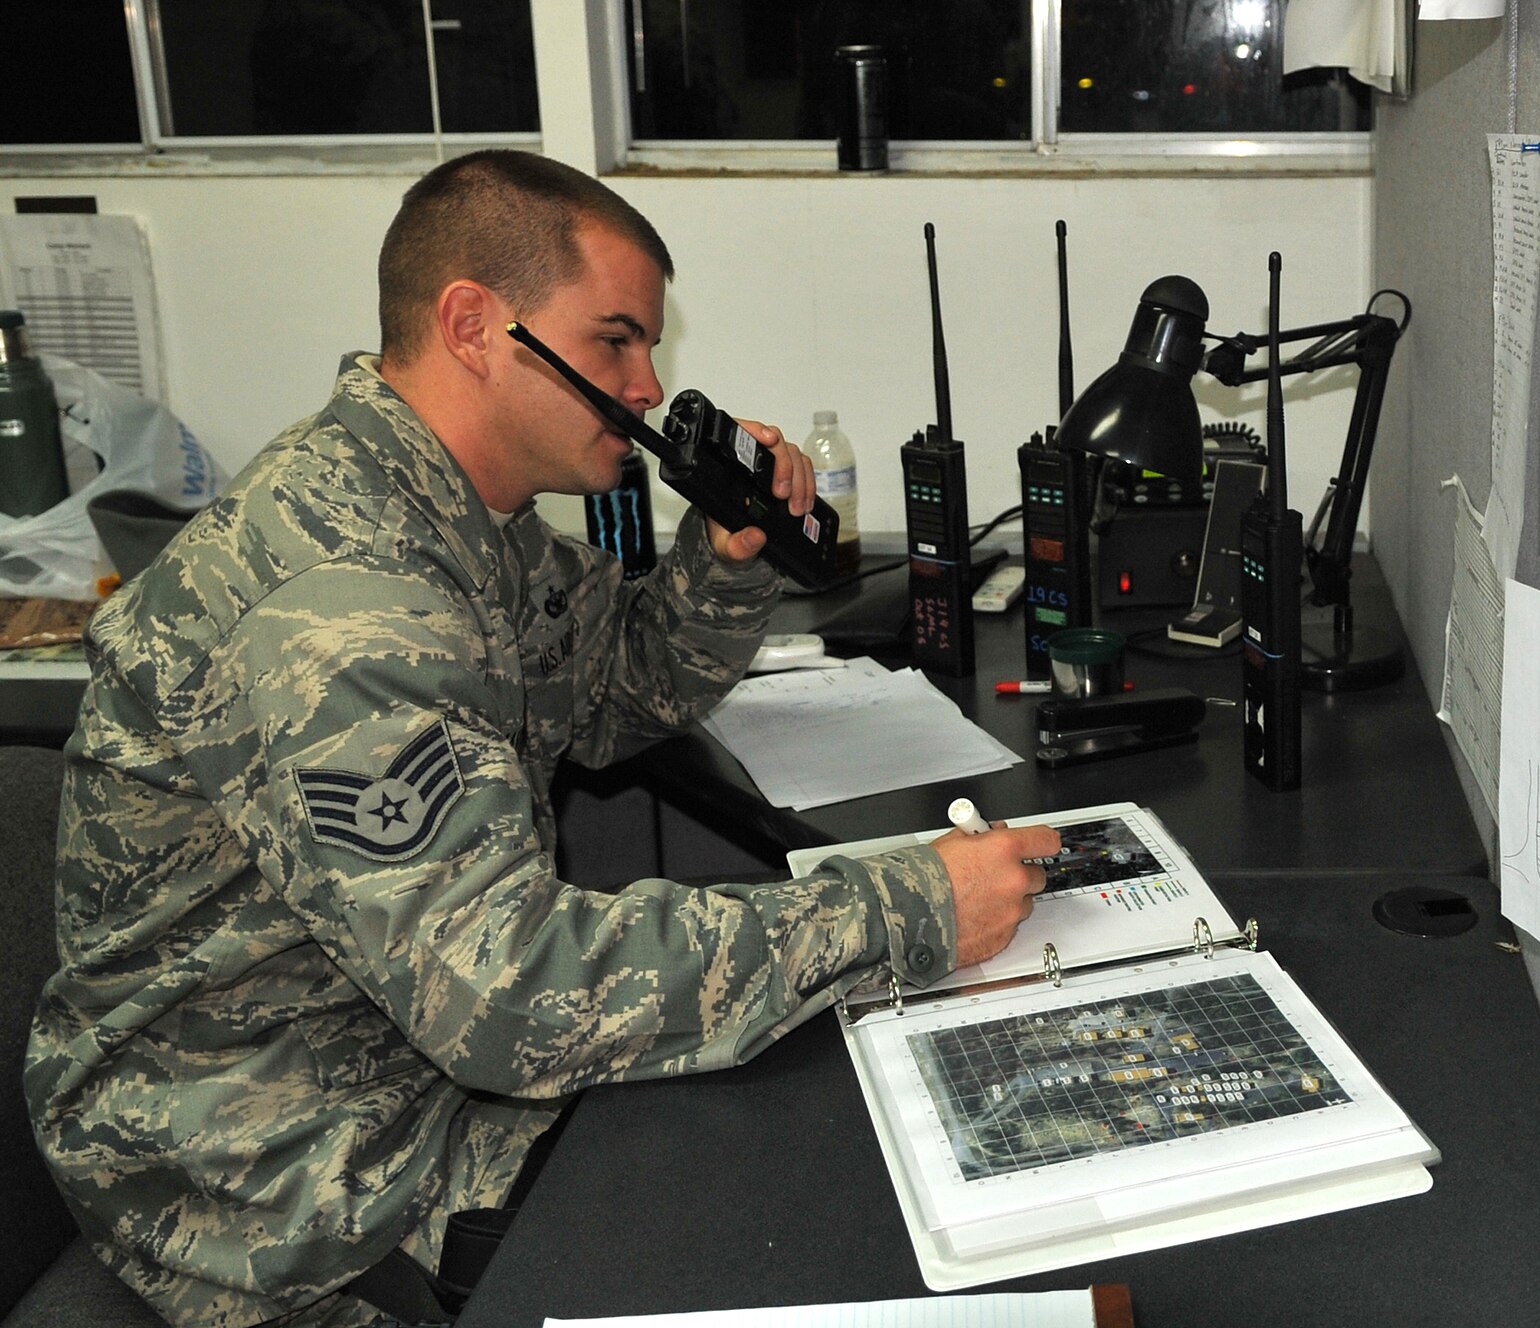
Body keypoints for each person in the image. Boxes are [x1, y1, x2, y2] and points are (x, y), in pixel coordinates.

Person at [25, 149, 1058, 1328]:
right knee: (816, 1205)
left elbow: (619, 691)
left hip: (402, 1050)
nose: (649, 385)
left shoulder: (459, 517)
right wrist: (905, 907)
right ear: (474, 323)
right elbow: (509, 997)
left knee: (820, 1095)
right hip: (264, 1169)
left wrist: (725, 562)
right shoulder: (344, 603)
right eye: (614, 341)